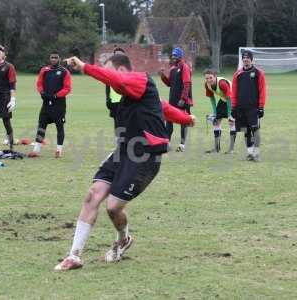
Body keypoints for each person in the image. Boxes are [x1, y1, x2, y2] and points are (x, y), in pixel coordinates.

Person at [54, 54, 195, 271]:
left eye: (110, 72)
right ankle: (74, 256)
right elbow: (162, 107)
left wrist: (84, 67)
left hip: (145, 156)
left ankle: (123, 240)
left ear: (121, 71)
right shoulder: (125, 94)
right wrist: (186, 118)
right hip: (122, 151)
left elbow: (159, 104)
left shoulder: (140, 79)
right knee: (93, 195)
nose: (108, 79)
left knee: (113, 208)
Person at [28, 51, 71, 158]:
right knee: (41, 126)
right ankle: (36, 149)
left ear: (59, 59)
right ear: (49, 59)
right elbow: (39, 83)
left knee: (59, 127)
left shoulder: (64, 71)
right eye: (52, 57)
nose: (54, 59)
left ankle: (59, 150)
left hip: (59, 104)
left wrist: (56, 96)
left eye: (56, 58)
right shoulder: (44, 70)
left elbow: (67, 88)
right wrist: (42, 92)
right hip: (46, 103)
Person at [231, 50, 267, 161]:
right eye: (244, 58)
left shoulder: (258, 73)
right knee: (245, 130)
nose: (245, 59)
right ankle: (250, 153)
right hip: (240, 107)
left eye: (247, 58)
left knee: (255, 130)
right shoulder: (237, 74)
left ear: (251, 59)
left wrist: (261, 106)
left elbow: (262, 90)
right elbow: (234, 92)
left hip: (253, 107)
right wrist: (233, 107)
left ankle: (256, 153)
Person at [159, 47, 193, 152]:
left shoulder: (184, 67)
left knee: (183, 121)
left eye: (175, 56)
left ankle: (182, 145)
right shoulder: (173, 68)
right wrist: (162, 76)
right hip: (173, 99)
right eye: (172, 56)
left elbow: (187, 83)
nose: (173, 57)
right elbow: (170, 83)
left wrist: (183, 98)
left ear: (180, 56)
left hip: (182, 100)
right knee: (169, 121)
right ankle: (167, 143)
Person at [203, 69, 236, 154]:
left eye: (211, 78)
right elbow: (212, 98)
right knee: (216, 122)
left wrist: (229, 114)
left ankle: (231, 150)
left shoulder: (222, 83)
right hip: (224, 99)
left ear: (215, 77)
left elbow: (229, 98)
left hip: (234, 100)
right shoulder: (207, 85)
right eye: (207, 78)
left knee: (231, 122)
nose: (209, 80)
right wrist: (215, 112)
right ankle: (216, 148)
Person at [105, 47, 125, 131]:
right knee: (117, 124)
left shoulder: (127, 69)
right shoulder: (110, 69)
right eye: (116, 54)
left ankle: (126, 142)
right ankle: (119, 143)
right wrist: (107, 99)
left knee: (127, 124)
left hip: (126, 101)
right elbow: (107, 86)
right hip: (114, 102)